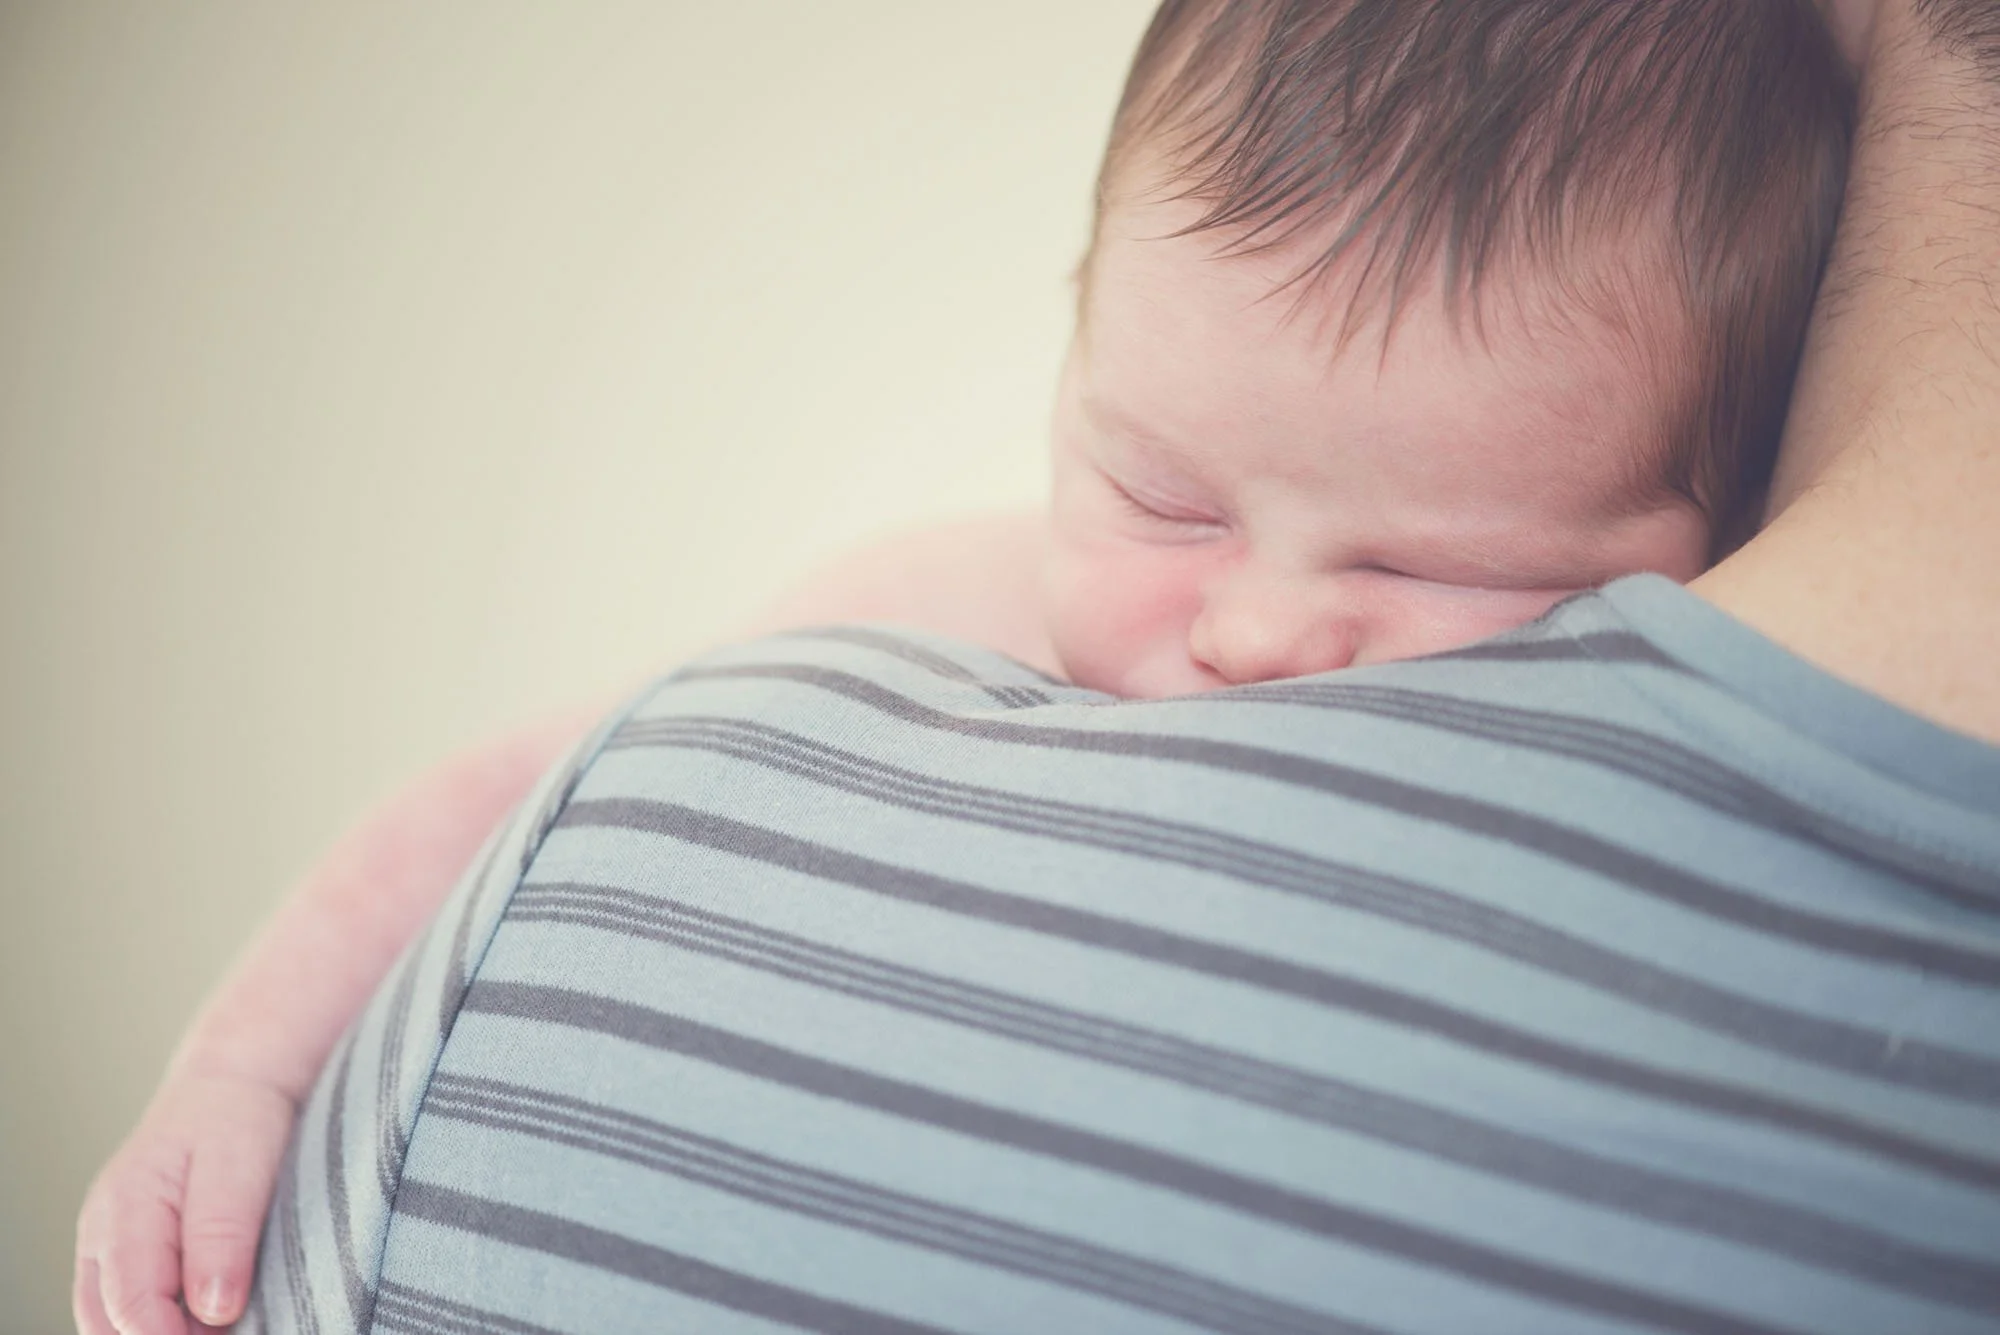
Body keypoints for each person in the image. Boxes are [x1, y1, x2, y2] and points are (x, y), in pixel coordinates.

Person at [70, 0, 1891, 1330]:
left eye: (1437, 563)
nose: (1256, 628)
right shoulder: (960, 603)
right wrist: (238, 1076)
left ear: (1727, 536)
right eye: (1159, 494)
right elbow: (506, 806)